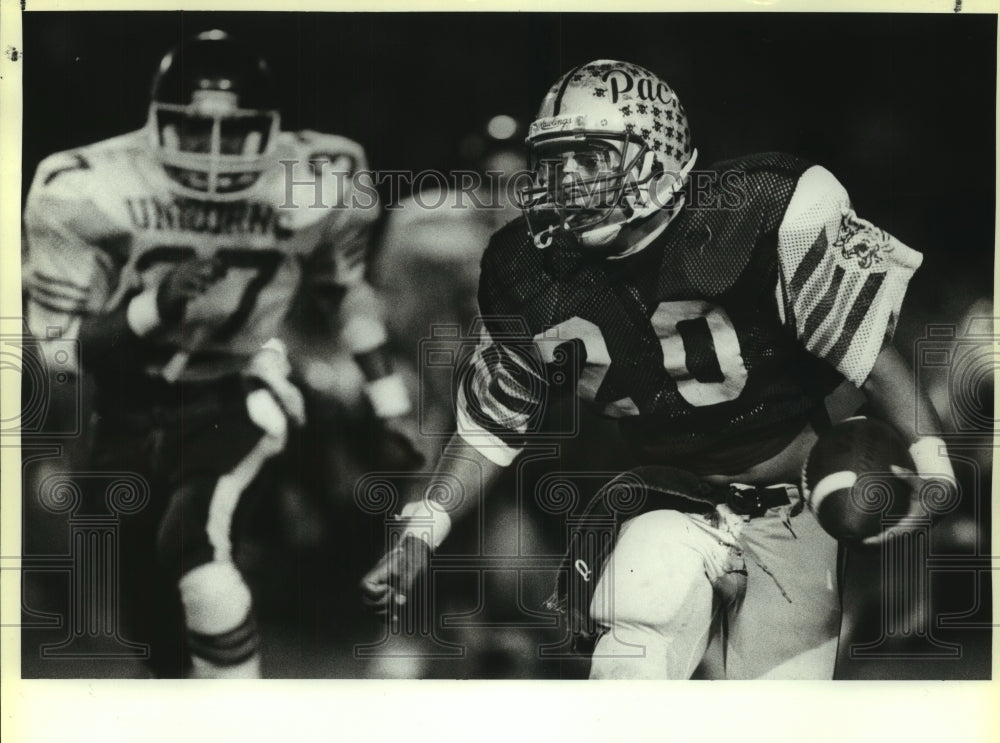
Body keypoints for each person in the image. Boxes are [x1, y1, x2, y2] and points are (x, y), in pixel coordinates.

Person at [361, 59, 958, 679]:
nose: (564, 181)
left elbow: (869, 359)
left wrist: (936, 467)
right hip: (675, 495)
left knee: (774, 730)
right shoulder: (528, 269)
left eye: (588, 158)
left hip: (798, 504)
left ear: (654, 153)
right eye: (554, 161)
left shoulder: (761, 212)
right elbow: (491, 426)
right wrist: (419, 533)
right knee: (635, 636)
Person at [23, 30, 412, 678]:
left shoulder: (319, 177)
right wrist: (157, 307)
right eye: (194, 131)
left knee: (195, 546)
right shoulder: (85, 185)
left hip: (240, 385)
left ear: (269, 130)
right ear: (156, 127)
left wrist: (389, 400)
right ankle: (189, 729)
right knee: (150, 622)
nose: (212, 154)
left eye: (233, 134)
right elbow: (63, 353)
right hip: (129, 407)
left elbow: (345, 293)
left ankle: (235, 729)